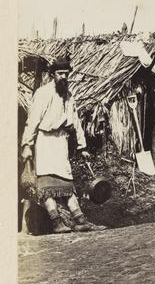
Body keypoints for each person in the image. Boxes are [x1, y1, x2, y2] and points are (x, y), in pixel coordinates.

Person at [20, 54, 105, 233]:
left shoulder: (69, 96)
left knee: (66, 184)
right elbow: (32, 120)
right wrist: (27, 144)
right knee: (47, 186)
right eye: (60, 73)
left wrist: (82, 146)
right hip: (45, 141)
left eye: (66, 73)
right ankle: (56, 222)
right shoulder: (43, 93)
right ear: (53, 74)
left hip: (61, 142)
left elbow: (76, 122)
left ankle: (80, 220)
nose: (64, 77)